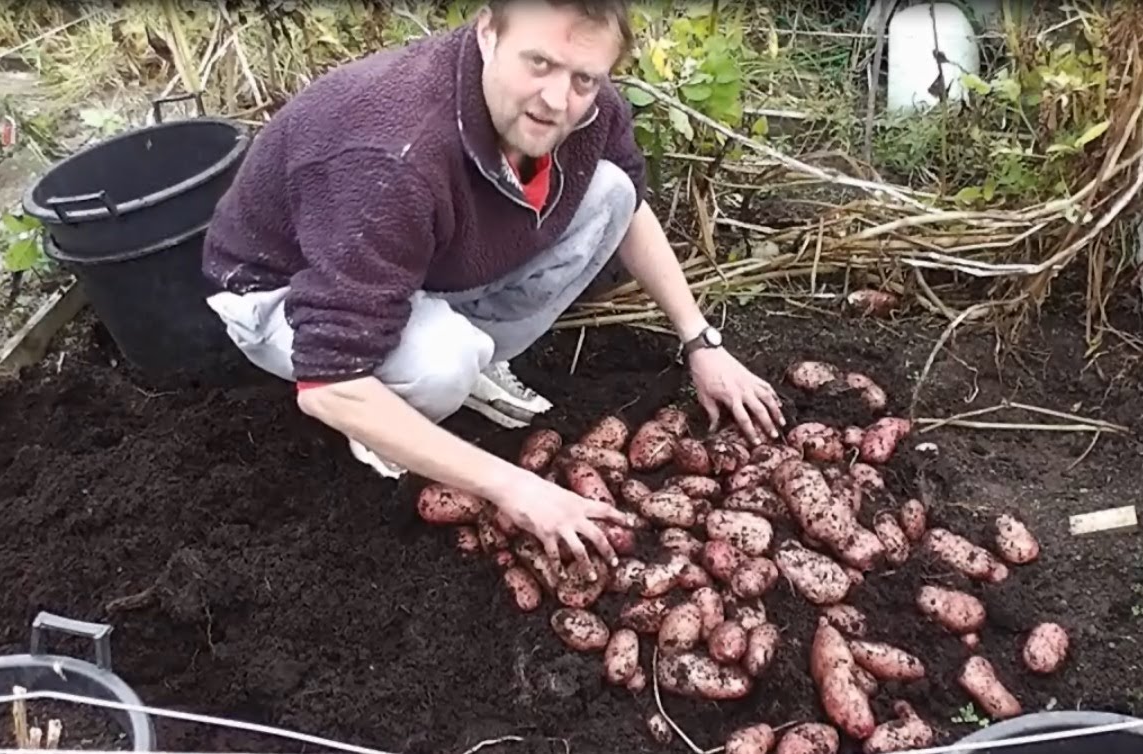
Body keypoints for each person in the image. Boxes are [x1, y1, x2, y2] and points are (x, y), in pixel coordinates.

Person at [200, 0, 785, 574]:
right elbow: (328, 380)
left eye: (584, 77)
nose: (557, 99)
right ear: (486, 34)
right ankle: (387, 423)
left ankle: (447, 353)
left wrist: (701, 341)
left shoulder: (588, 110)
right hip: (286, 293)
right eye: (539, 63)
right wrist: (515, 486)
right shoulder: (395, 154)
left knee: (609, 192)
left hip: (410, 261)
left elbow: (632, 210)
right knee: (441, 363)